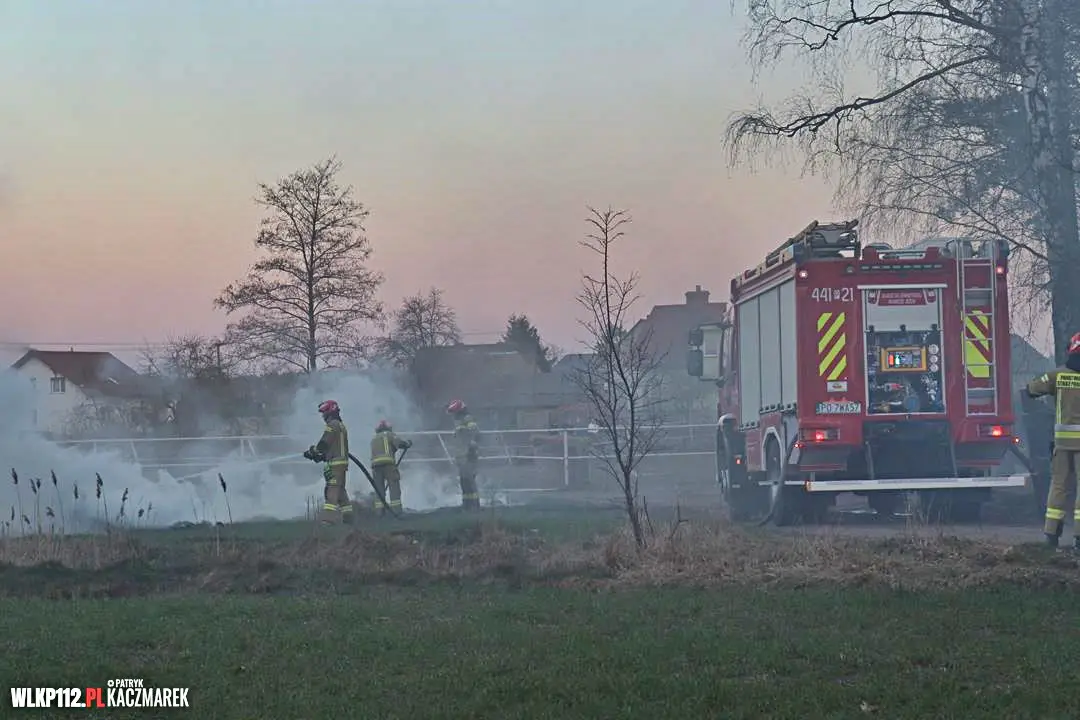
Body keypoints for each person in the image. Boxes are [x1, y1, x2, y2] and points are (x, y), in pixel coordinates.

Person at [1026, 331, 1080, 548]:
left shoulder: (1057, 376)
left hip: (1062, 444)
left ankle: (1051, 534)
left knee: (1058, 485)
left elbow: (1031, 389)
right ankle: (1079, 539)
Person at [304, 399, 353, 525]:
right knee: (340, 492)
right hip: (341, 463)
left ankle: (328, 520)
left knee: (331, 491)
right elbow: (333, 448)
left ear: (330, 412)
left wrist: (313, 451)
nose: (323, 416)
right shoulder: (340, 425)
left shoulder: (332, 425)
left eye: (324, 413)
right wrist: (320, 457)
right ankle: (349, 518)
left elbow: (324, 443)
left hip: (336, 465)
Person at [370, 420, 412, 515]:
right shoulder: (389, 435)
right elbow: (399, 443)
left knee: (379, 490)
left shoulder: (374, 439)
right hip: (388, 465)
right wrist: (407, 444)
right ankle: (396, 512)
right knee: (394, 488)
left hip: (375, 467)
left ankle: (379, 513)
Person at [446, 399, 481, 510]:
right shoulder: (459, 421)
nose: (453, 415)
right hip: (461, 455)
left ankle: (474, 505)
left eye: (454, 412)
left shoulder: (467, 419)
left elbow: (474, 434)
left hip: (468, 454)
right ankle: (466, 504)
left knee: (469, 480)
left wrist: (471, 448)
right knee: (464, 481)